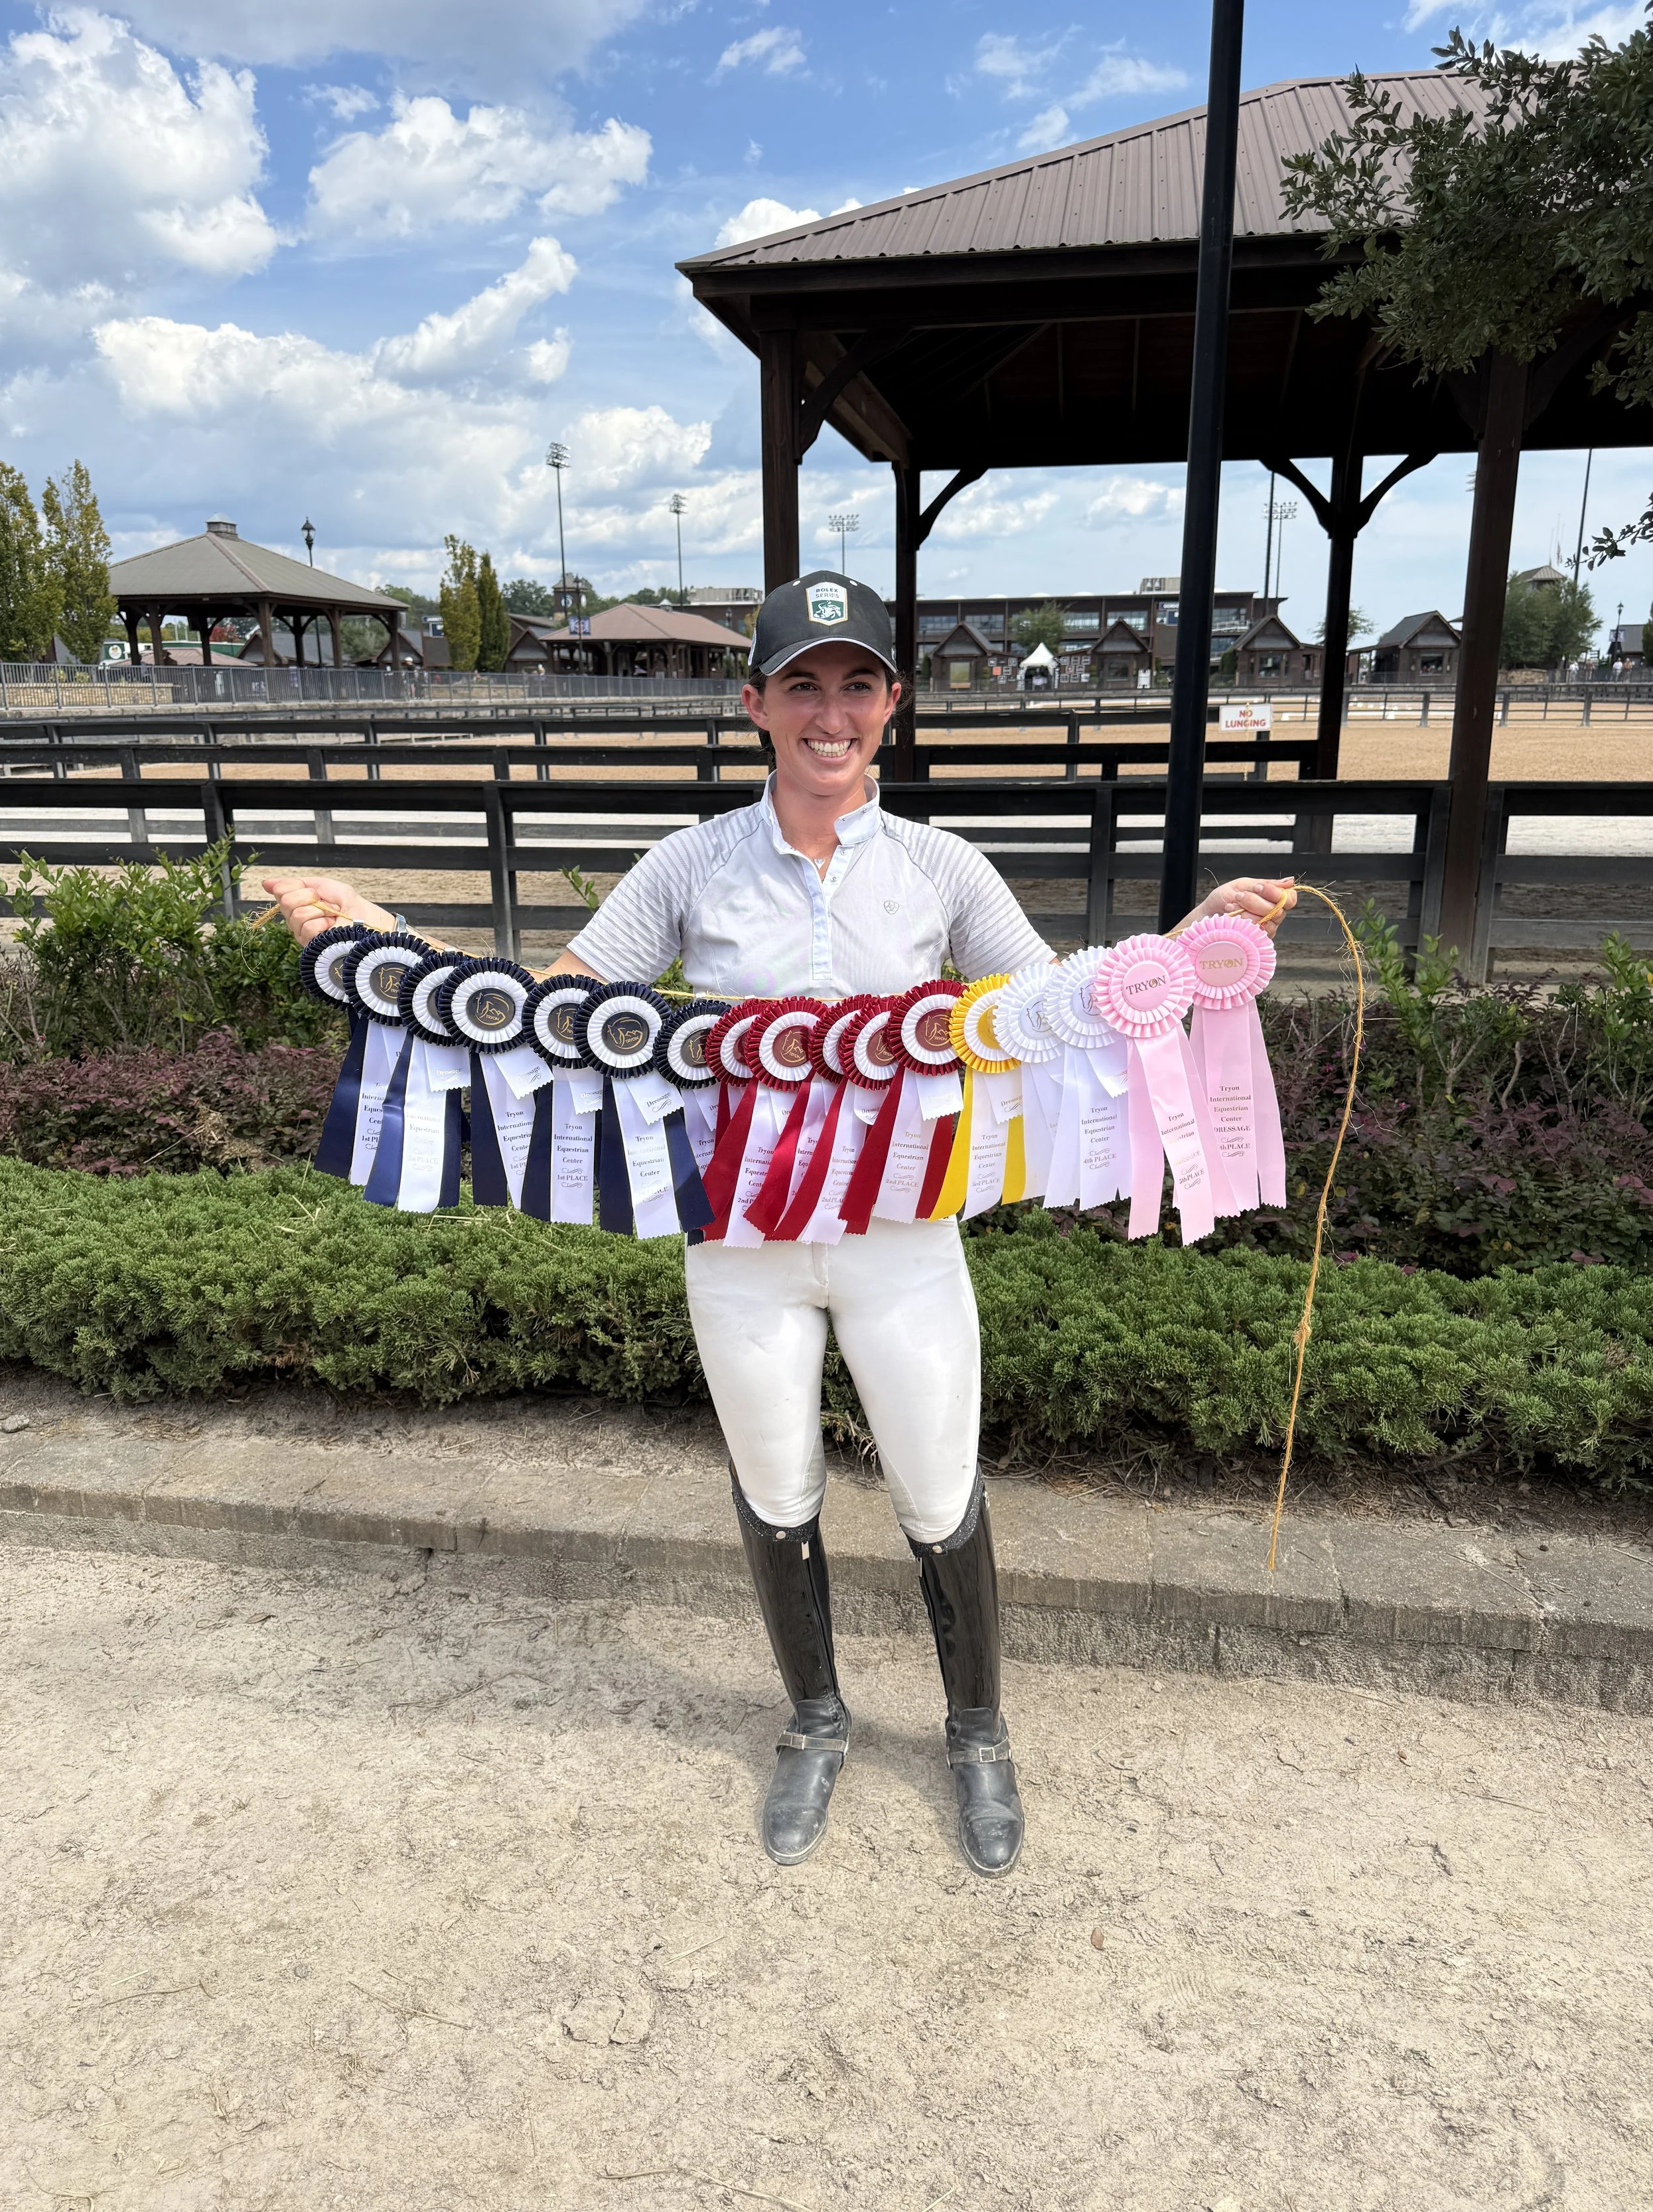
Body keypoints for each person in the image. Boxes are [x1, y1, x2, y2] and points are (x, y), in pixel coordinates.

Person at [265, 570, 1297, 1879]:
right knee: (774, 1487)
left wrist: (1176, 947)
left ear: (891, 706)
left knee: (934, 1489)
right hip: (740, 1251)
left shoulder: (939, 867)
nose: (830, 711)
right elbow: (554, 1014)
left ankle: (976, 1732)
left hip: (901, 1246)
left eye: (855, 684)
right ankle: (814, 1719)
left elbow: (1051, 1006)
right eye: (801, 683)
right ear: (752, 704)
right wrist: (401, 948)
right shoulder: (689, 866)